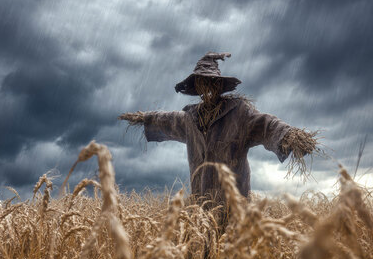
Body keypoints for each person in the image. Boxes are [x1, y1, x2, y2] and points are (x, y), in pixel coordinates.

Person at [119, 52, 314, 231]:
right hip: (201, 212)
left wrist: (289, 136)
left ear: (219, 85)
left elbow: (266, 124)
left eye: (211, 82)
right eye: (202, 83)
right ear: (197, 88)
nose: (207, 88)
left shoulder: (239, 113)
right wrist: (143, 118)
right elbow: (166, 119)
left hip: (234, 212)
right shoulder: (190, 119)